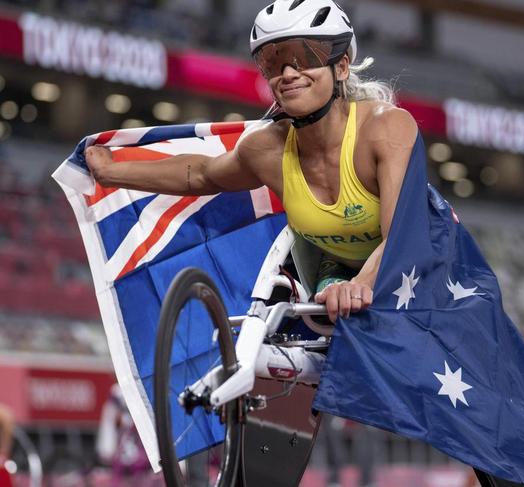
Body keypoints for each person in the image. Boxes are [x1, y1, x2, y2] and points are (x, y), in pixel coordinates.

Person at [85, 0, 418, 323]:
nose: (288, 73)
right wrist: (110, 172)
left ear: (342, 65)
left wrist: (360, 285)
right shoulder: (266, 149)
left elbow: (404, 237)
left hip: (424, 272)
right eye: (273, 63)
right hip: (338, 279)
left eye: (303, 57)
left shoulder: (385, 128)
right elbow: (201, 174)